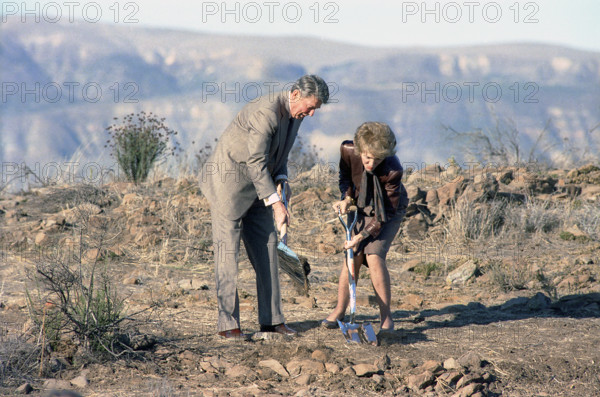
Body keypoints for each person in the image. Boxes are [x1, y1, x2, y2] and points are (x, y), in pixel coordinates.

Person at [200, 75, 329, 338]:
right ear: (295, 94)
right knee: (227, 255)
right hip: (229, 186)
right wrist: (277, 204)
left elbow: (280, 155)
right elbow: (256, 161)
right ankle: (228, 325)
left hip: (260, 186)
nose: (312, 113)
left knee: (269, 247)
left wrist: (281, 181)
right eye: (310, 106)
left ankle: (271, 321)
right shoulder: (266, 112)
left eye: (316, 108)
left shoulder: (296, 116)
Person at [322, 122, 408, 332]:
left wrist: (362, 235)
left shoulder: (393, 170)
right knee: (353, 255)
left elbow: (383, 215)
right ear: (359, 150)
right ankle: (340, 310)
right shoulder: (347, 150)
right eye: (368, 158)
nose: (371, 164)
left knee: (373, 255)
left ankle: (386, 318)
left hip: (387, 211)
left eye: (378, 159)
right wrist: (346, 198)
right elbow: (345, 178)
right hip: (360, 205)